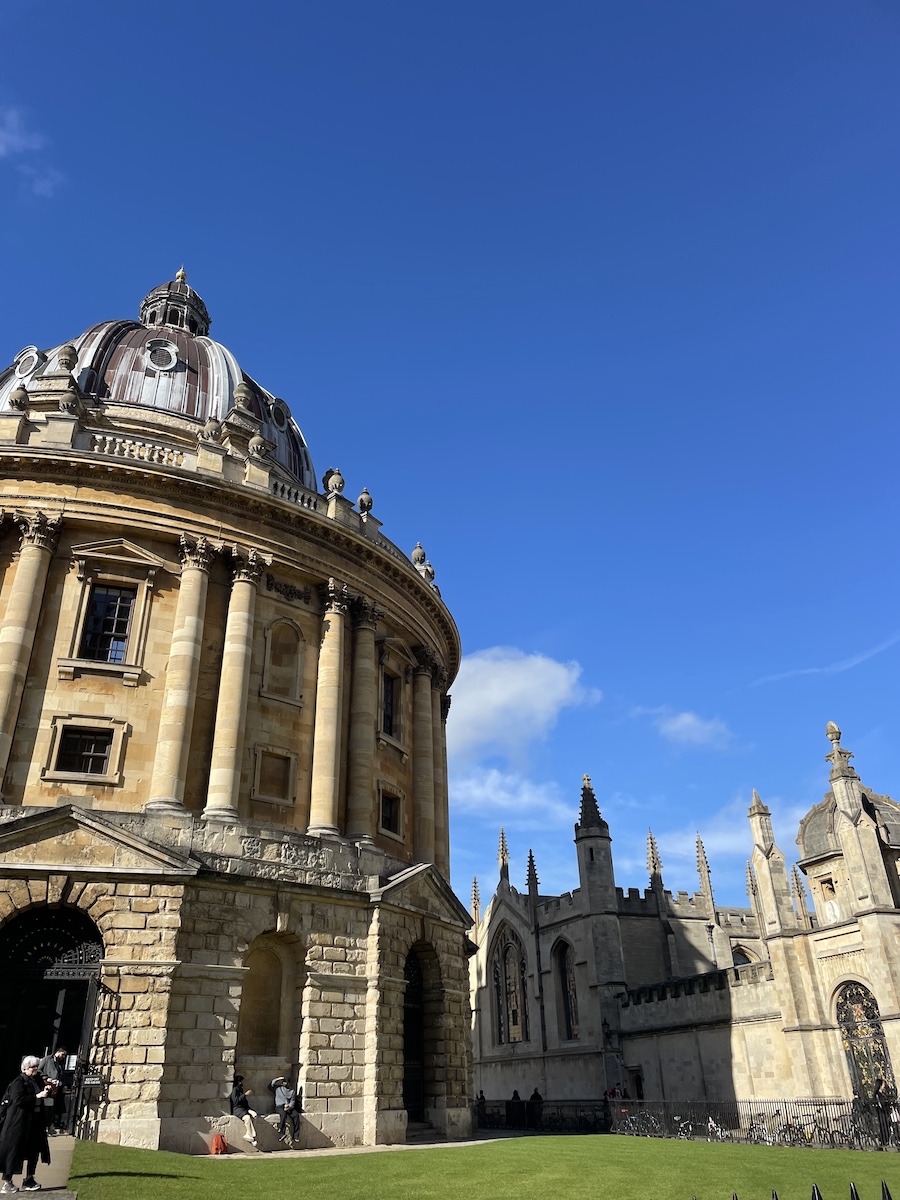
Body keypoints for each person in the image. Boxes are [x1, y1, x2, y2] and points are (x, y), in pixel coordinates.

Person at [0, 1055, 53, 1193]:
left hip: (34, 1122)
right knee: (13, 1150)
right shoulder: (18, 1082)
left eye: (36, 1066)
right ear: (25, 1068)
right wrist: (37, 1096)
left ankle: (29, 1179)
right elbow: (18, 1100)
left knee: (33, 1151)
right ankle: (7, 1181)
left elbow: (42, 1091)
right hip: (18, 1122)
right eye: (32, 1067)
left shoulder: (36, 1080)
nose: (35, 1069)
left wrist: (47, 1091)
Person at [37, 1049, 68, 1136]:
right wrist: (46, 1077)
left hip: (56, 1089)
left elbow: (62, 1074)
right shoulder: (47, 1059)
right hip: (48, 1087)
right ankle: (46, 1128)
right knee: (47, 1109)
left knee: (52, 1110)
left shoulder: (60, 1063)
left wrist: (63, 1084)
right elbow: (39, 1070)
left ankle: (50, 1127)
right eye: (62, 1054)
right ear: (58, 1052)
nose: (63, 1057)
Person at [267, 1075, 300, 1144]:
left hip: (288, 1106)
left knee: (296, 1115)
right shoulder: (278, 1089)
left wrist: (289, 1106)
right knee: (283, 1114)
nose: (284, 1083)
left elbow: (293, 1101)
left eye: (286, 1082)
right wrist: (277, 1079)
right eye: (283, 1082)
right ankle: (281, 1133)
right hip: (279, 1106)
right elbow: (270, 1086)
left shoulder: (292, 1091)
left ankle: (296, 1135)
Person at [228, 1075, 257, 1147]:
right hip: (237, 1110)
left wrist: (250, 1109)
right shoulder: (235, 1090)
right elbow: (236, 1101)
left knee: (254, 1115)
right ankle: (252, 1136)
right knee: (247, 1117)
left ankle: (249, 1134)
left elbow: (244, 1102)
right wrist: (245, 1095)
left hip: (244, 1109)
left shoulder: (240, 1089)